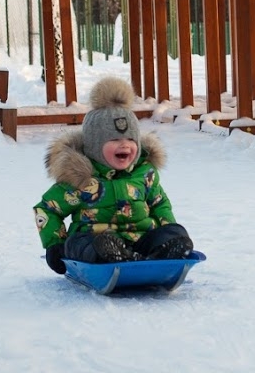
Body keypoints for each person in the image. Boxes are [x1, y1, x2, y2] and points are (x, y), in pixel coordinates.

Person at [33, 77, 194, 273]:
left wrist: (168, 230)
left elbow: (160, 204)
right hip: (96, 241)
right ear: (94, 146)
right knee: (78, 243)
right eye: (115, 139)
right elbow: (48, 209)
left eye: (130, 139)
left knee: (176, 232)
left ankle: (161, 255)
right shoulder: (80, 176)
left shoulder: (144, 173)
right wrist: (55, 244)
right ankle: (109, 255)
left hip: (140, 240)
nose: (124, 144)